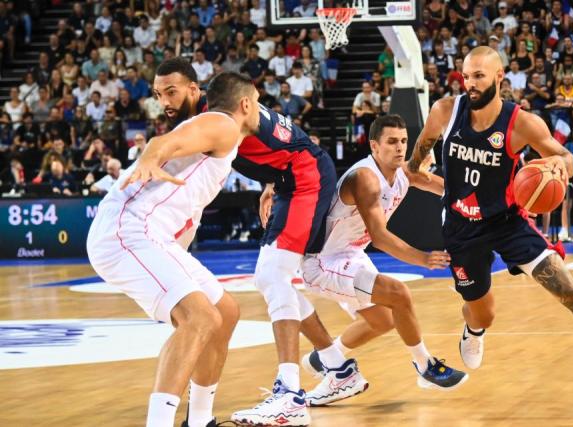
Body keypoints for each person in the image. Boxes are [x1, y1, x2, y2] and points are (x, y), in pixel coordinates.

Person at [408, 46, 573, 405]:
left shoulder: (521, 123)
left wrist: (557, 170)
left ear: (500, 77)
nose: (470, 84)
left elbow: (563, 156)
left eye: (479, 76)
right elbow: (415, 166)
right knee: (482, 312)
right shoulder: (445, 111)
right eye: (466, 75)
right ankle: (473, 330)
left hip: (508, 222)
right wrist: (437, 187)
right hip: (462, 229)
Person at [151, 58, 357, 426]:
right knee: (271, 278)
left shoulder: (214, 115)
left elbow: (281, 140)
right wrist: (270, 182)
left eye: (172, 91)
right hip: (292, 176)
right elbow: (282, 136)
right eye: (158, 94)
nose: (165, 100)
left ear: (195, 91)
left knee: (274, 276)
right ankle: (338, 367)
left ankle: (290, 394)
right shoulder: (227, 100)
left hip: (305, 177)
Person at [86, 72, 261, 427]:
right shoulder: (222, 123)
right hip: (127, 229)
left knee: (224, 312)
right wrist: (151, 157)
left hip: (154, 236)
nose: (260, 110)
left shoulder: (224, 135)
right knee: (200, 317)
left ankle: (199, 420)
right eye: (257, 103)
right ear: (246, 104)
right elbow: (165, 141)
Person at [298, 115, 468, 406]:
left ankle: (322, 358)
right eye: (391, 142)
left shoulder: (404, 172)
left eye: (403, 141)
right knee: (398, 294)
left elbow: (447, 190)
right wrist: (423, 258)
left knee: (384, 320)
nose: (400, 148)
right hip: (322, 262)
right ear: (374, 146)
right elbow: (379, 236)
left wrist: (481, 203)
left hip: (350, 255)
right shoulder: (365, 178)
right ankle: (425, 366)